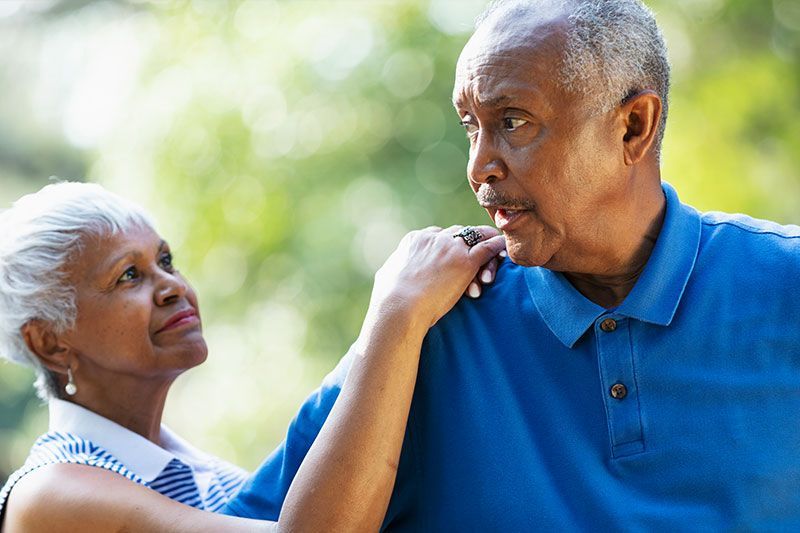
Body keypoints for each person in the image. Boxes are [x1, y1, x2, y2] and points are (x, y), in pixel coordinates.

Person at [222, 0, 800, 529]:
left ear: (633, 127)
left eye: (513, 122)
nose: (478, 167)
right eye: (471, 125)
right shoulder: (431, 322)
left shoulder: (785, 285)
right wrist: (393, 316)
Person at [0, 181, 505, 531]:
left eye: (165, 261)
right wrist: (398, 308)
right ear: (50, 340)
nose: (172, 287)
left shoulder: (202, 475)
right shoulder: (53, 495)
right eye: (128, 276)